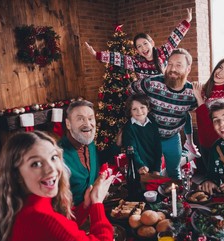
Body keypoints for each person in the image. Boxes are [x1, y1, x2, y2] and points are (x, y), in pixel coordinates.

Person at [0, 131, 116, 241]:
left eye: (53, 157)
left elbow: (61, 235)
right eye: (36, 163)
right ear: (17, 174)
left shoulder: (20, 204)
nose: (52, 169)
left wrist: (86, 205)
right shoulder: (41, 218)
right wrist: (97, 204)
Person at [85, 8, 200, 157]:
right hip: (148, 98)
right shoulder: (135, 62)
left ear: (151, 42)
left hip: (165, 92)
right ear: (137, 51)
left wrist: (187, 21)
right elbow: (117, 58)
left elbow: (174, 38)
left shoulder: (163, 53)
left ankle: (189, 142)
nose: (143, 48)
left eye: (145, 44)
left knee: (184, 112)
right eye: (139, 47)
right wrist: (97, 54)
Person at [130, 48, 197, 179]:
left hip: (172, 139)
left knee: (174, 173)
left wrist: (190, 140)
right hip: (149, 139)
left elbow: (189, 114)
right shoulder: (152, 83)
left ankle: (176, 198)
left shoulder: (192, 94)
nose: (172, 69)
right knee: (152, 175)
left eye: (178, 65)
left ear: (188, 69)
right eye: (170, 64)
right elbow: (131, 89)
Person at [192, 58, 224, 168]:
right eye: (220, 67)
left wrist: (199, 98)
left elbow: (211, 122)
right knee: (209, 177)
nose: (220, 72)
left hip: (219, 144)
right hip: (204, 142)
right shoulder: (205, 90)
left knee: (219, 180)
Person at [59, 100, 100, 206]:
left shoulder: (90, 144)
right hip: (70, 217)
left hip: (94, 209)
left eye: (90, 118)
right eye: (80, 119)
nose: (87, 124)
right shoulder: (57, 155)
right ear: (68, 124)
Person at [122, 94, 162, 175]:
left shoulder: (153, 123)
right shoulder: (129, 128)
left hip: (154, 165)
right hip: (138, 167)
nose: (139, 112)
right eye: (134, 109)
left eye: (142, 107)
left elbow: (158, 147)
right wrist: (140, 165)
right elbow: (131, 150)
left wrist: (157, 168)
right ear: (130, 112)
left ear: (148, 108)